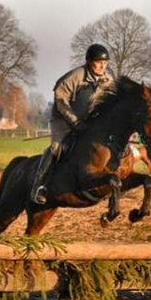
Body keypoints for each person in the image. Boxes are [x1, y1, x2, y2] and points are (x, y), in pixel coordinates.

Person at [30, 43, 113, 204]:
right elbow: (60, 100)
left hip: (88, 121)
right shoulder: (75, 76)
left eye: (105, 63)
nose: (103, 66)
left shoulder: (108, 80)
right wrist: (74, 122)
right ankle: (40, 186)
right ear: (89, 61)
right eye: (98, 62)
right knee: (56, 147)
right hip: (63, 119)